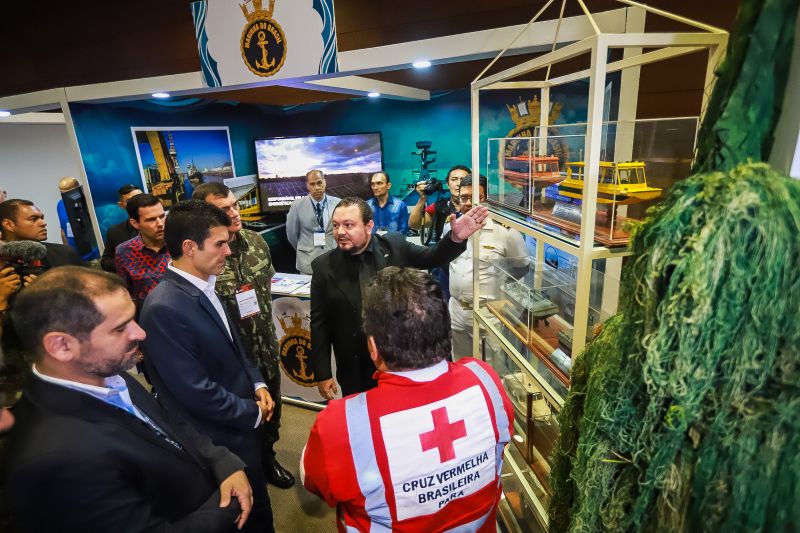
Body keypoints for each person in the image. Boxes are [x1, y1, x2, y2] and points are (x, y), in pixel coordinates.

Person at [1, 266, 255, 532]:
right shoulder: (58, 461)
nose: (140, 333)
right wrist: (230, 506)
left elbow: (166, 421)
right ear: (62, 346)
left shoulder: (101, 372)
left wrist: (221, 461)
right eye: (120, 328)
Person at [302, 267, 514, 532]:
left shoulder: (339, 425)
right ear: (446, 330)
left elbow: (315, 482)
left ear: (373, 348)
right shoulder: (486, 381)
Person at [140, 201, 275, 533]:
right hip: (221, 442)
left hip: (241, 426)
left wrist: (257, 382)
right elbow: (195, 391)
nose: (228, 252)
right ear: (189, 247)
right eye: (220, 243)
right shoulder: (164, 308)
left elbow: (234, 345)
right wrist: (252, 413)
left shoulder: (203, 285)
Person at [310, 196, 488, 399]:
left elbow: (432, 256)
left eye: (348, 225)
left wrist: (455, 239)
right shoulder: (323, 267)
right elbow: (319, 325)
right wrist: (322, 374)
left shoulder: (393, 245)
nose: (340, 232)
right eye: (335, 225)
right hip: (354, 370)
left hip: (403, 365)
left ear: (369, 226)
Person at [194, 182, 294, 490]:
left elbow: (265, 286)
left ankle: (268, 458)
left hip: (265, 349)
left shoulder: (255, 241)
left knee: (271, 411)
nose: (235, 213)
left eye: (234, 205)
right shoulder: (202, 258)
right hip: (230, 361)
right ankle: (239, 468)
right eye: (223, 210)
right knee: (238, 420)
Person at [449, 175, 529, 359]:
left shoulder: (506, 232)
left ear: (486, 199)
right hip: (456, 311)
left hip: (489, 313)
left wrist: (501, 287)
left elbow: (522, 267)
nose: (468, 203)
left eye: (475, 197)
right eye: (464, 197)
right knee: (460, 368)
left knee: (491, 368)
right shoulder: (452, 229)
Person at [114, 193, 170, 313]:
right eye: (151, 220)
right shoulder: (124, 252)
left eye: (162, 216)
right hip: (148, 319)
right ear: (135, 223)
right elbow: (127, 294)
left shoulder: (180, 243)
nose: (160, 224)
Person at [285, 169, 341, 274]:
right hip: (307, 264)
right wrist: (306, 248)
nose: (317, 187)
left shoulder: (338, 203)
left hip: (334, 261)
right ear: (307, 186)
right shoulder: (297, 206)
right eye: (312, 184)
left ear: (325, 182)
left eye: (319, 183)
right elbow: (292, 235)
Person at [0, 199, 82, 268]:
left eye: (42, 218)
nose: (43, 223)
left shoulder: (65, 254)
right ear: (9, 225)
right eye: (33, 219)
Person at [409, 165, 470, 240]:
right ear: (447, 184)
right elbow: (414, 224)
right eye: (454, 179)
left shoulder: (477, 206)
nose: (458, 183)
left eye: (463, 180)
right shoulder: (439, 206)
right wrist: (423, 198)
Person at [100, 184, 143, 272]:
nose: (137, 204)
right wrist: (126, 264)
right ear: (121, 205)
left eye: (140, 198)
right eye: (129, 201)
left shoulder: (161, 225)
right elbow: (105, 262)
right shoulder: (115, 231)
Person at [56, 176, 100, 261]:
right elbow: (63, 230)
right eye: (63, 194)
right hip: (76, 258)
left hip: (96, 255)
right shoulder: (60, 205)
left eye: (69, 193)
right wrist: (68, 253)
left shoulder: (90, 202)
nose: (67, 197)